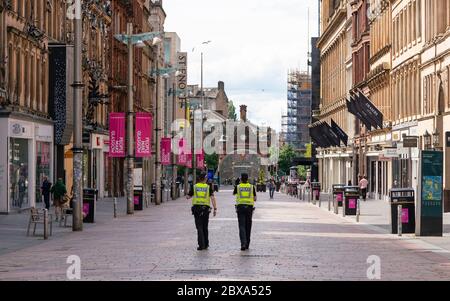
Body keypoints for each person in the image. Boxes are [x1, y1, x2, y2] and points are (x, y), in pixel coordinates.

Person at [186, 173, 217, 251]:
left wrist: (188, 195)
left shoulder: (195, 187)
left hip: (197, 209)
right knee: (205, 227)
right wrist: (215, 208)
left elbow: (188, 197)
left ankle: (201, 245)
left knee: (199, 227)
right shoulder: (208, 187)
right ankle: (206, 244)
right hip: (206, 209)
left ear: (199, 179)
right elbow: (213, 198)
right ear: (205, 179)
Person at [233, 173, 257, 251]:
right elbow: (255, 198)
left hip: (240, 208)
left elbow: (234, 193)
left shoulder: (238, 186)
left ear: (240, 179)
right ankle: (247, 244)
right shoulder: (251, 187)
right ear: (247, 179)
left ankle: (243, 243)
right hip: (249, 208)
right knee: (248, 226)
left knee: (242, 226)